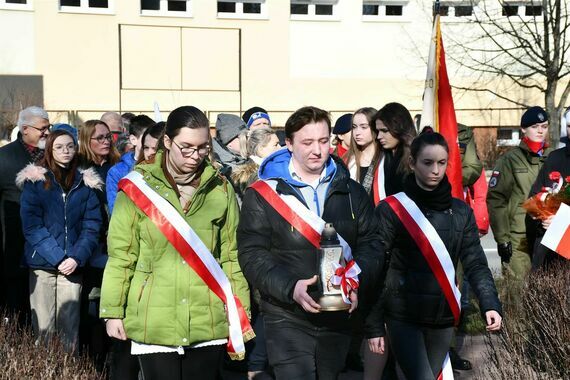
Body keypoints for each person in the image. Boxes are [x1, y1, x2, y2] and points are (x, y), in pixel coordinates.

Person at [100, 106, 251, 380]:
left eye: (203, 147)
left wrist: (242, 310)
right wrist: (112, 311)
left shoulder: (221, 188)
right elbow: (121, 256)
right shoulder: (136, 188)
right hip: (152, 318)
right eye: (187, 147)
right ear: (167, 142)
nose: (196, 156)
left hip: (207, 316)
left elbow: (231, 256)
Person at [238, 106, 382, 379]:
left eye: (324, 141)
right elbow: (252, 253)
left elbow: (372, 244)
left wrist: (356, 279)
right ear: (289, 143)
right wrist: (290, 287)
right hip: (286, 315)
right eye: (307, 142)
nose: (317, 150)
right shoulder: (263, 193)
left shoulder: (350, 190)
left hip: (337, 317)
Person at [366, 131, 502, 380]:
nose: (435, 170)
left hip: (443, 316)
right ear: (412, 163)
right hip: (403, 315)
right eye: (427, 163)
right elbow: (377, 268)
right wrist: (374, 324)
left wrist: (490, 303)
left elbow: (475, 262)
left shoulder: (461, 211)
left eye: (441, 163)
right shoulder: (392, 210)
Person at [17, 130, 102, 352]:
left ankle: (68, 372)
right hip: (42, 264)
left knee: (69, 330)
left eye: (70, 146)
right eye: (59, 147)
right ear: (50, 150)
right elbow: (32, 226)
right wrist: (58, 257)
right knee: (44, 330)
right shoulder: (36, 181)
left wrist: (76, 257)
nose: (65, 151)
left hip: (73, 265)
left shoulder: (86, 183)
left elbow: (91, 226)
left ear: (76, 149)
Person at [487, 106, 551, 306]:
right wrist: (502, 239)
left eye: (544, 126)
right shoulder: (510, 160)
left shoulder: (554, 158)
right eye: (534, 126)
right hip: (519, 239)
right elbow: (496, 200)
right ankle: (517, 338)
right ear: (523, 129)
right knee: (518, 299)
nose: (540, 130)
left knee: (546, 299)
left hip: (546, 236)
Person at [77, 120, 122, 372]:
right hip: (92, 245)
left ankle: (109, 361)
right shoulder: (81, 170)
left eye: (108, 137)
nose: (106, 141)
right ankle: (90, 364)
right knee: (91, 310)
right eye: (100, 138)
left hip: (114, 243)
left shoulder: (117, 167)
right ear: (86, 140)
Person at [0, 106, 50, 323]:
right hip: (14, 246)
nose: (47, 133)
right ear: (25, 129)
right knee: (17, 309)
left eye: (49, 127)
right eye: (43, 128)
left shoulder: (55, 153)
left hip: (50, 246)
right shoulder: (4, 158)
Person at [527, 118, 570, 270]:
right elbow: (534, 197)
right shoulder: (554, 158)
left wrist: (561, 222)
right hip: (551, 253)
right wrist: (543, 214)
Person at [106, 115, 155, 214]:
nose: (152, 142)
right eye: (146, 137)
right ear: (133, 140)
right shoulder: (117, 172)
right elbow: (116, 209)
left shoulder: (162, 166)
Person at [372, 102, 417, 204]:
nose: (379, 136)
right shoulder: (382, 156)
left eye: (384, 130)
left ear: (399, 127)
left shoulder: (418, 156)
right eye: (378, 131)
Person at [344, 107, 380, 194]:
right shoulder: (346, 161)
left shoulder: (385, 160)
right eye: (354, 127)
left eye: (364, 127)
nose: (357, 132)